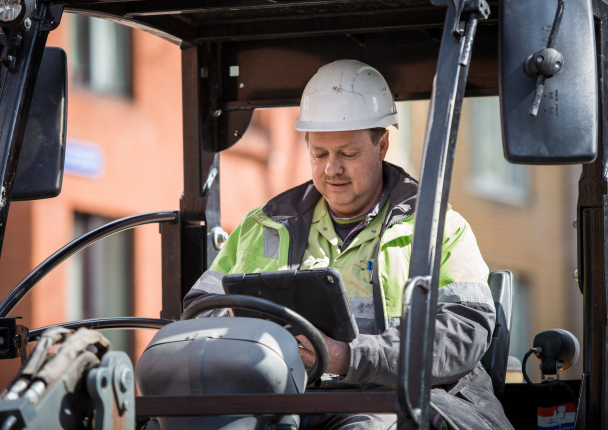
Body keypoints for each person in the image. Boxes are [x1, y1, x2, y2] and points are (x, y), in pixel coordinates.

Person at [183, 59, 514, 430]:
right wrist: (243, 333)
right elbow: (200, 308)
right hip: (288, 402)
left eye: (348, 154)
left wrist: (349, 357)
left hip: (404, 402)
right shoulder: (263, 225)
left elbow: (464, 331)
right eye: (319, 154)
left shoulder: (439, 228)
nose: (331, 169)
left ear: (382, 144)